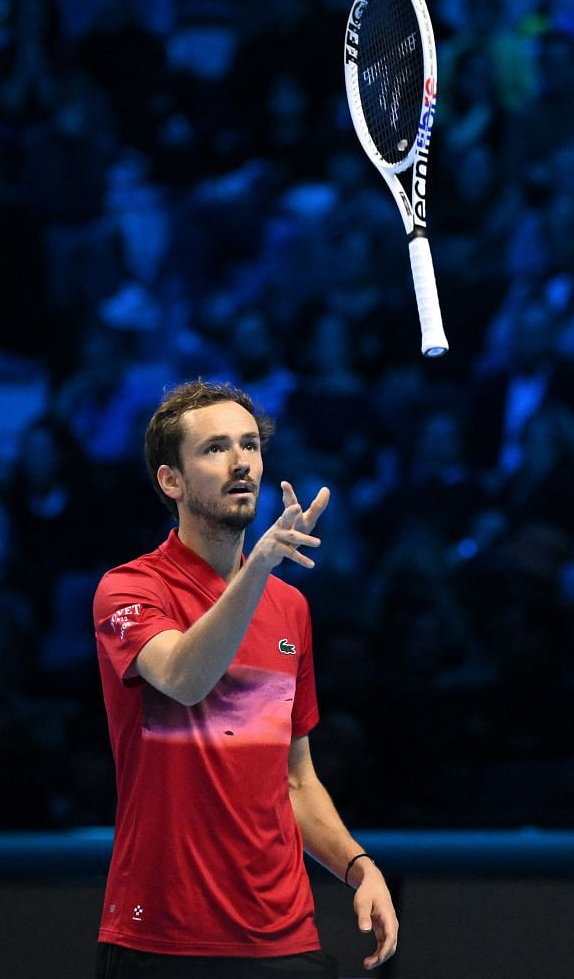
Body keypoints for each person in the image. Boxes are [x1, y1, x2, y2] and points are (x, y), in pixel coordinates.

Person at [92, 381, 398, 975]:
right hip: (160, 938)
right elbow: (183, 677)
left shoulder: (290, 609)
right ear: (170, 480)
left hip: (283, 939)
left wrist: (359, 866)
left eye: (250, 445)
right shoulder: (129, 590)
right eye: (214, 448)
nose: (241, 463)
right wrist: (256, 566)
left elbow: (297, 782)